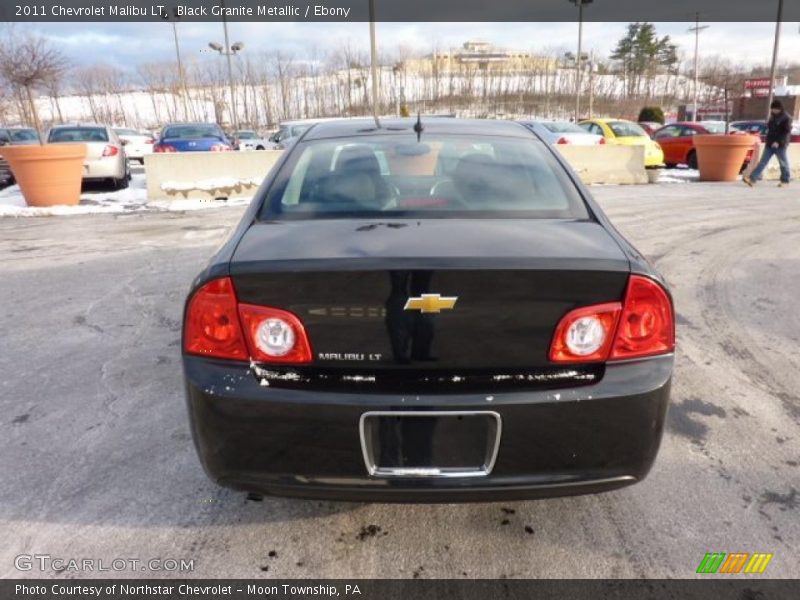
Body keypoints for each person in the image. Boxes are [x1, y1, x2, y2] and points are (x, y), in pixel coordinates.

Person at [743, 100, 793, 187]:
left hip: (780, 145)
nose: (773, 110)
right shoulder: (772, 117)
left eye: (775, 109)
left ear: (779, 109)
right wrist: (769, 141)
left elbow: (786, 132)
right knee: (763, 162)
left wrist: (778, 142)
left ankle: (785, 181)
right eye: (772, 109)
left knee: (783, 163)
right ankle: (752, 179)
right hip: (770, 144)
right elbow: (770, 130)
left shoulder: (786, 118)